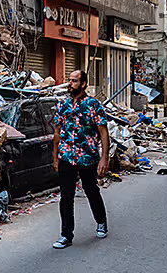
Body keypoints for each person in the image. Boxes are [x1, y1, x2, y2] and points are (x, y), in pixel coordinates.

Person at [51, 70, 110, 249]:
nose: (70, 84)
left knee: (91, 190)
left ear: (83, 84)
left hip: (87, 157)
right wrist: (55, 157)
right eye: (69, 80)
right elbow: (57, 132)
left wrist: (104, 158)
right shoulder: (63, 104)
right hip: (66, 156)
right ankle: (66, 235)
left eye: (74, 81)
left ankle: (101, 221)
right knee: (66, 196)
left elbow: (103, 132)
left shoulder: (93, 105)